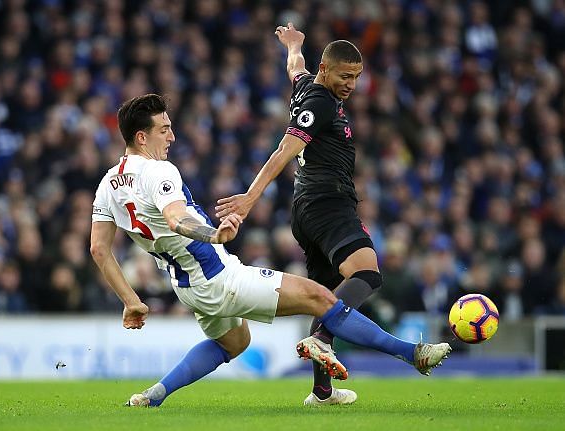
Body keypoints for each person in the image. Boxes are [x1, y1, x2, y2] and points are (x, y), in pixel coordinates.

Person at [90, 94, 451, 408]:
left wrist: (130, 300)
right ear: (142, 136)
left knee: (234, 342)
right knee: (320, 298)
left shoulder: (108, 184)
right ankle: (412, 354)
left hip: (187, 287)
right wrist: (214, 235)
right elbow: (175, 220)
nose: (172, 135)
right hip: (219, 278)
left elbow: (99, 250)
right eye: (164, 129)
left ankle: (154, 394)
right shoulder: (157, 171)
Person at [216, 24, 384, 405]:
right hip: (328, 201)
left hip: (307, 208)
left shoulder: (306, 84)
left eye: (356, 77)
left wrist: (293, 43)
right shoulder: (320, 103)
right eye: (345, 76)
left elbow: (295, 65)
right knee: (367, 273)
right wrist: (249, 198)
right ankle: (322, 338)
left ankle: (321, 392)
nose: (351, 85)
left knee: (326, 296)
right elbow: (283, 151)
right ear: (327, 70)